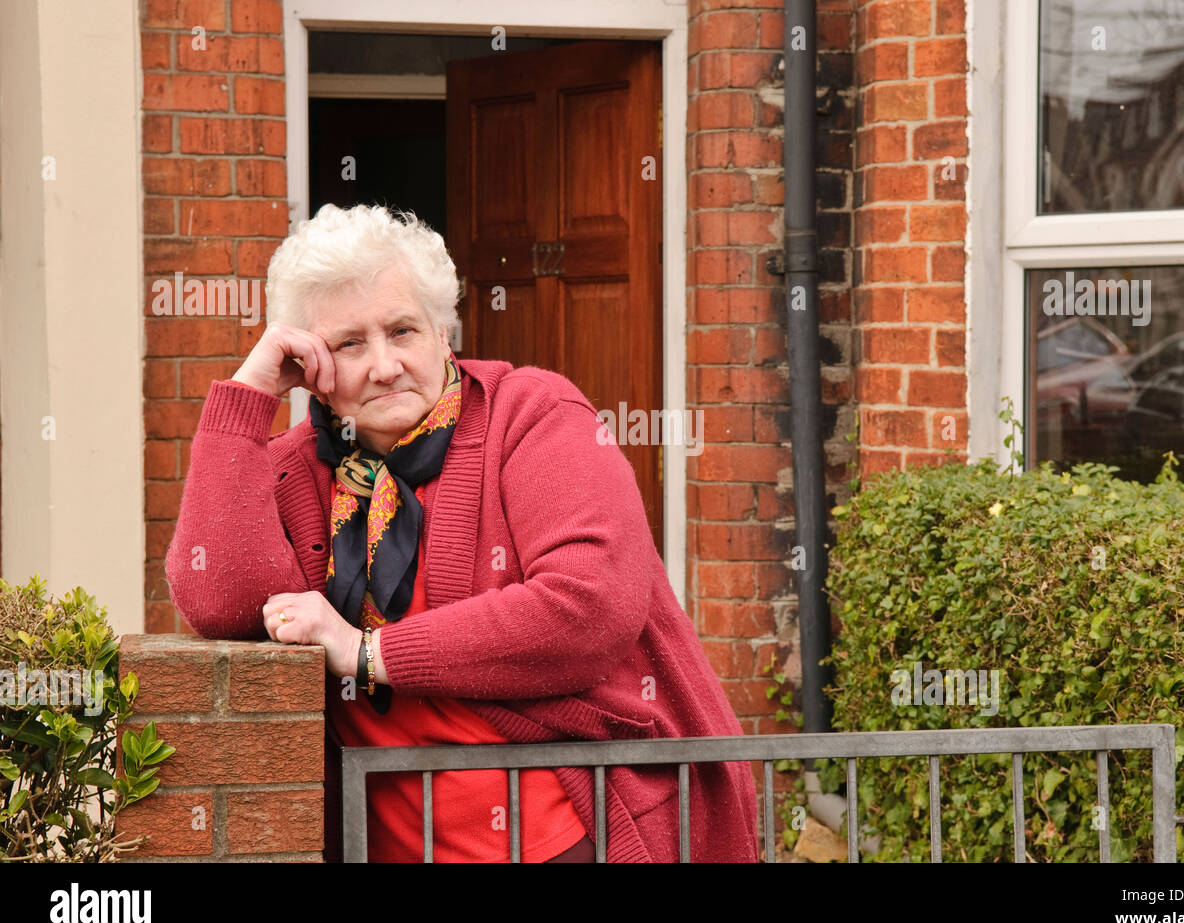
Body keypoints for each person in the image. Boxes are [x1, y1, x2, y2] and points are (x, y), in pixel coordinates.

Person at [164, 203, 759, 862]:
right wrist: (250, 392)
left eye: (402, 330)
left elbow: (588, 605)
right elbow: (218, 601)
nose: (385, 365)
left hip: (570, 838)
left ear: (442, 331)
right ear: (311, 368)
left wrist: (368, 653)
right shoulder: (295, 469)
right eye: (350, 343)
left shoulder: (532, 415)